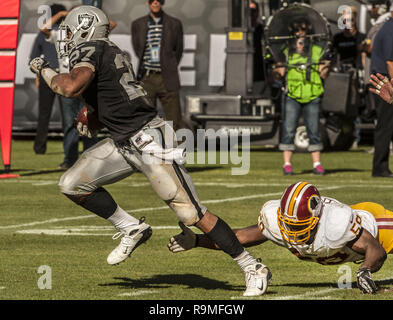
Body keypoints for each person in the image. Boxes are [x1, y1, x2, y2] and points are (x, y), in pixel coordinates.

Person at [29, 5, 270, 297]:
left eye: (69, 30)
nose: (66, 37)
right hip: (124, 141)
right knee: (73, 184)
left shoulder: (92, 48)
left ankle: (251, 267)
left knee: (192, 214)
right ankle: (131, 227)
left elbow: (69, 87)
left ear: (85, 28)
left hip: (149, 141)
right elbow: (111, 96)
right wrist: (92, 117)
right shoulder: (107, 50)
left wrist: (44, 69)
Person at [168, 181, 393, 294]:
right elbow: (236, 239)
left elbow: (376, 249)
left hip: (377, 226)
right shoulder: (275, 220)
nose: (293, 233)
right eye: (289, 224)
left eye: (300, 225)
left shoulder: (336, 223)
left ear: (316, 218)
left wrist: (365, 271)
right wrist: (198, 240)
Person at [273, 17, 330, 175]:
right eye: (297, 30)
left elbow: (323, 73)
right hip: (292, 93)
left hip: (312, 93)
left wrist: (326, 66)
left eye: (303, 30)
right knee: (289, 128)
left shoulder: (318, 50)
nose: (300, 33)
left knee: (313, 129)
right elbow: (279, 73)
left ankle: (317, 164)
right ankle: (287, 164)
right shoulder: (286, 51)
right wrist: (277, 68)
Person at [131, 0, 185, 131]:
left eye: (159, 0)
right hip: (146, 77)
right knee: (146, 118)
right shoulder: (138, 24)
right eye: (152, 0)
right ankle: (151, 149)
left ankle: (177, 149)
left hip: (167, 76)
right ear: (147, 3)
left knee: (174, 118)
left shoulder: (174, 23)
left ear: (162, 2)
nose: (155, 2)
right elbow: (138, 49)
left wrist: (169, 66)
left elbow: (178, 50)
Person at [29, 3, 66, 155]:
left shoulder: (65, 33)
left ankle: (65, 148)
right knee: (48, 115)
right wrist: (38, 75)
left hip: (60, 75)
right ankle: (40, 148)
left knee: (66, 116)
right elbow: (34, 57)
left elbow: (34, 58)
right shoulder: (47, 33)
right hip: (51, 76)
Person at [368, 9, 393, 178]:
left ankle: (381, 166)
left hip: (385, 80)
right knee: (386, 126)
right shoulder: (391, 29)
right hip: (385, 83)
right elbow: (390, 61)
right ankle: (380, 167)